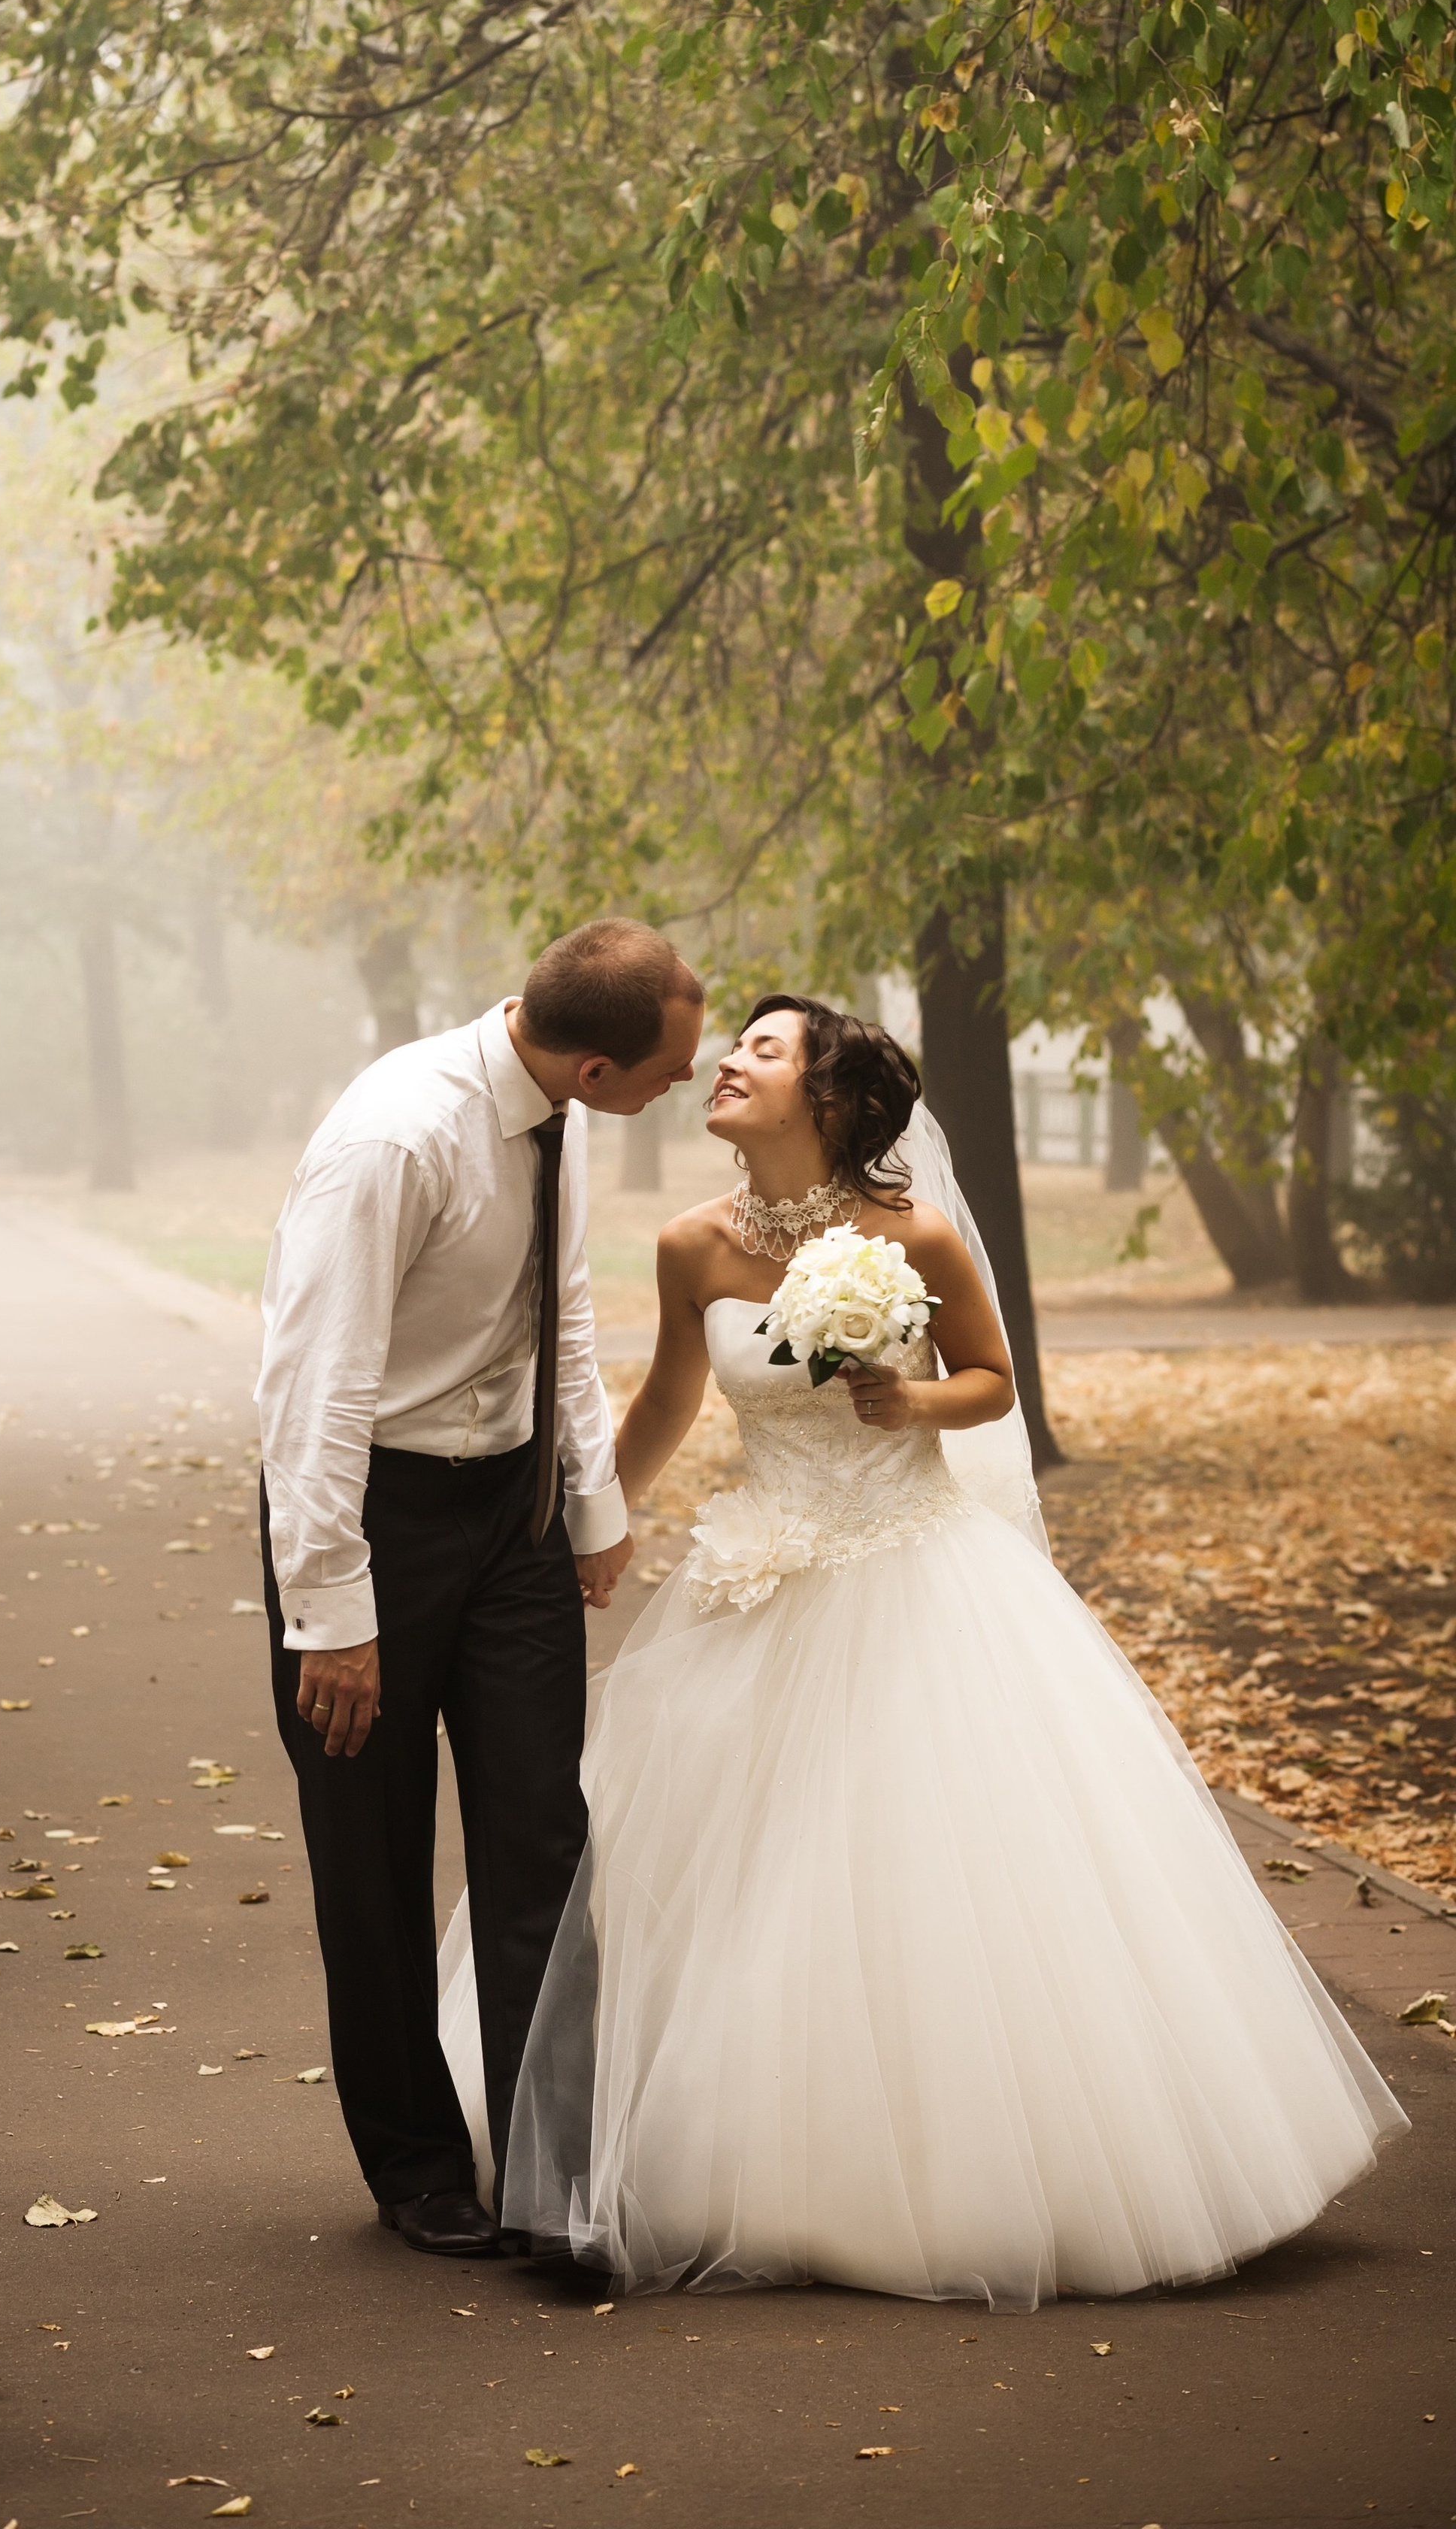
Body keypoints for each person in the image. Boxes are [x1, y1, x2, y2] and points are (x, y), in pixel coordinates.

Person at [441, 995, 1406, 2304]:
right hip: (761, 1576)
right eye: (734, 1048)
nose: (727, 1061)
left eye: (764, 1051)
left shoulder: (915, 1234)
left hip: (913, 1575)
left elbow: (993, 1380)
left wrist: (913, 1401)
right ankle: (730, 2149)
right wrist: (583, 1524)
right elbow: (670, 1397)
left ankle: (955, 2166)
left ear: (830, 1100)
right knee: (734, 1872)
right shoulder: (691, 1245)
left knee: (922, 1869)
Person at [257, 919, 705, 2257]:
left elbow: (554, 1317)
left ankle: (554, 2180)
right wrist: (331, 1612)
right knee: (374, 1860)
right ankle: (416, 2170)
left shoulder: (557, 1114)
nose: (686, 1083)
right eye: (669, 1067)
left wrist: (589, 1506)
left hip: (509, 1517)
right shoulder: (397, 1139)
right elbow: (313, 1387)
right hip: (372, 1523)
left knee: (542, 1844)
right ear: (592, 1062)